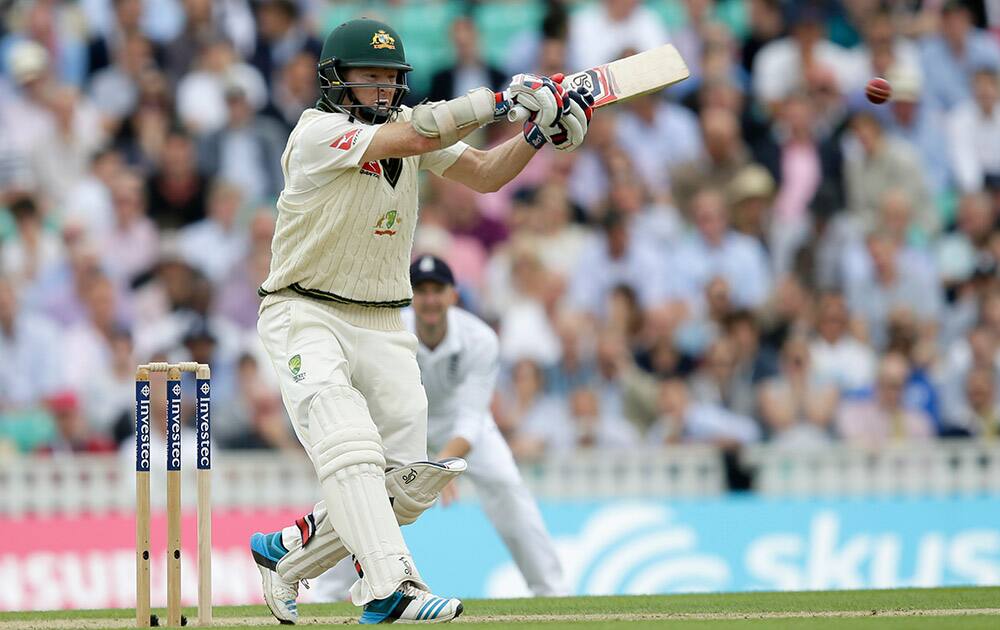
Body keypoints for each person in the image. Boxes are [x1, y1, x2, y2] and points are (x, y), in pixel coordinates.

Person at [249, 18, 594, 625]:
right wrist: (499, 99)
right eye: (369, 78)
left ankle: (288, 553)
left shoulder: (409, 133)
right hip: (305, 312)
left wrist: (538, 132)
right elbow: (411, 137)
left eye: (390, 79)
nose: (382, 90)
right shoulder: (315, 133)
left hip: (383, 322)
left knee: (406, 487)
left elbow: (486, 174)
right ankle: (391, 588)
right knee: (350, 448)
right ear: (335, 80)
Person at [316, 256, 567, 600]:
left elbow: (471, 420)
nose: (430, 299)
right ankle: (328, 594)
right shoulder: (388, 332)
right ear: (408, 295)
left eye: (438, 290)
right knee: (360, 489)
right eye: (421, 290)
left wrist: (438, 470)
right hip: (399, 422)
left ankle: (551, 591)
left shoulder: (479, 339)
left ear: (453, 295)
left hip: (458, 426)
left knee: (507, 486)